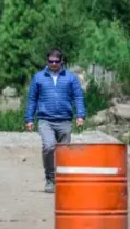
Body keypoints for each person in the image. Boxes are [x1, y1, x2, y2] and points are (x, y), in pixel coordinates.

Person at [24, 48, 85, 193]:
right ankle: (50, 179)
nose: (53, 64)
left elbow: (78, 97)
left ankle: (61, 180)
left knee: (63, 153)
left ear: (61, 62)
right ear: (47, 61)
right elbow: (32, 99)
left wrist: (80, 115)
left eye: (56, 61)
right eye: (51, 61)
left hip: (65, 120)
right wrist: (29, 118)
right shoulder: (38, 78)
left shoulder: (70, 78)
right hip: (46, 120)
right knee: (49, 146)